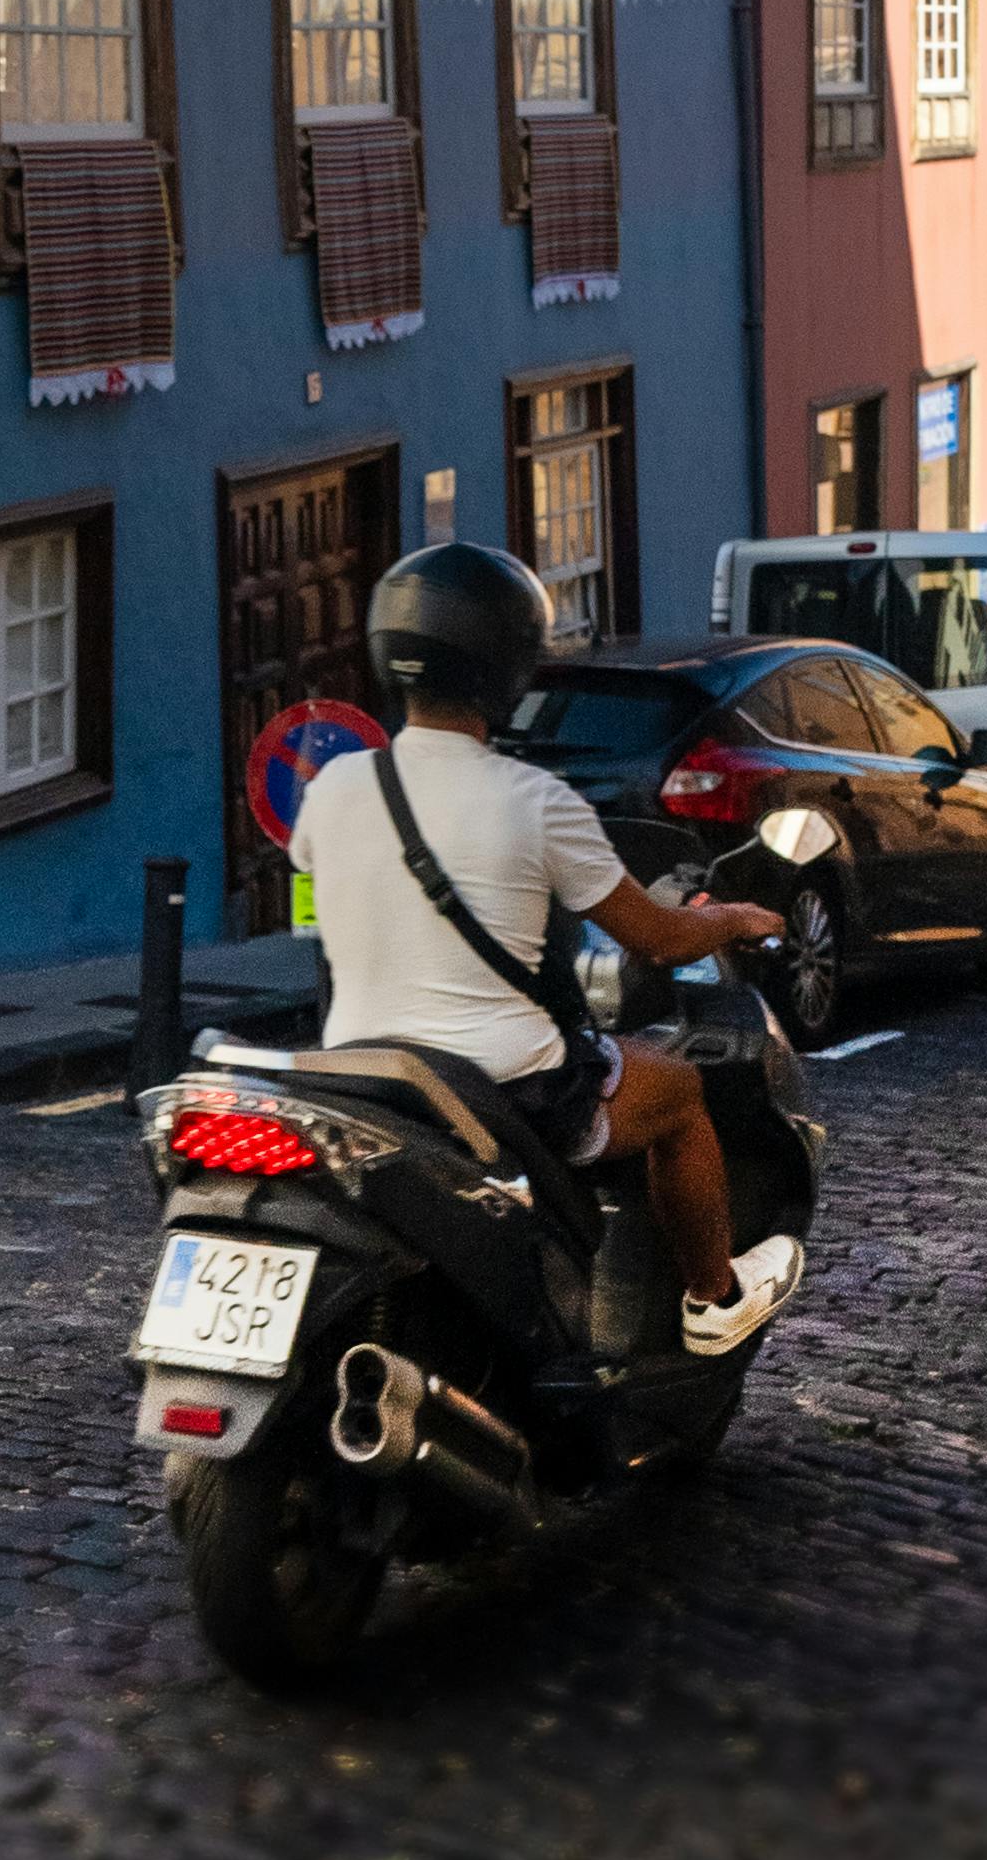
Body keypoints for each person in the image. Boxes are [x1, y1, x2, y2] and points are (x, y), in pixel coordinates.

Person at [290, 543, 805, 1357]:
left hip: (366, 1076)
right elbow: (661, 939)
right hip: (508, 1089)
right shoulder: (535, 801)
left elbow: (331, 895)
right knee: (677, 1093)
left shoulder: (334, 789)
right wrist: (734, 917)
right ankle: (713, 1298)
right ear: (508, 666)